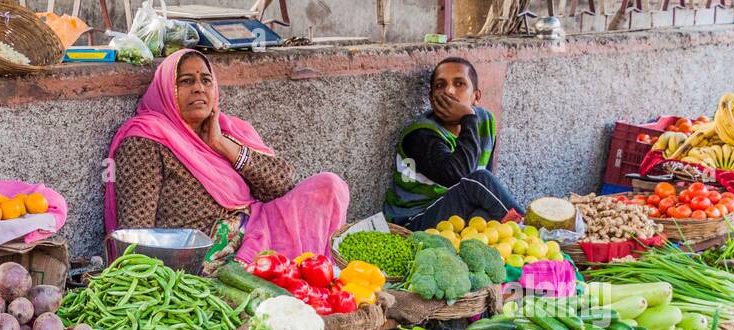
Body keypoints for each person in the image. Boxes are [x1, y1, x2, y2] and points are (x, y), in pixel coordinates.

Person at [105, 49, 349, 264]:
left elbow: (282, 186)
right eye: (186, 81)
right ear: (167, 90)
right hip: (204, 261)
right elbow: (136, 232)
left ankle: (305, 273)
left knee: (328, 186)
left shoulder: (225, 130)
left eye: (206, 80)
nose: (199, 88)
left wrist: (221, 144)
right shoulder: (146, 140)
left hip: (257, 234)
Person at [383, 57, 522, 230]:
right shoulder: (421, 135)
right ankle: (531, 232)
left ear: (476, 97)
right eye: (440, 85)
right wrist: (468, 119)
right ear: (432, 98)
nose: (449, 91)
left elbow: (485, 184)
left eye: (459, 84)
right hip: (413, 222)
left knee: (489, 217)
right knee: (480, 181)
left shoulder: (485, 121)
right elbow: (460, 177)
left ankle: (530, 239)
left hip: (455, 213)